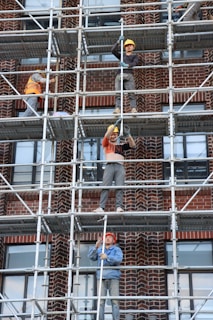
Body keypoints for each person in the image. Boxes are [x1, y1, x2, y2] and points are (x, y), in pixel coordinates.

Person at [93, 119, 136, 213]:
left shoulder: (121, 146)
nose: (112, 136)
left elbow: (132, 145)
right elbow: (106, 136)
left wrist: (128, 135)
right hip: (109, 166)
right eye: (112, 134)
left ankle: (119, 207)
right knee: (105, 186)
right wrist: (114, 126)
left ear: (117, 135)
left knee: (120, 187)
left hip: (120, 166)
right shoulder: (106, 144)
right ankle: (101, 207)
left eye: (115, 134)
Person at [88, 232, 123, 320]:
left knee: (115, 301)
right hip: (101, 277)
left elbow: (118, 259)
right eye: (106, 237)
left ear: (113, 240)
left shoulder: (116, 249)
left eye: (110, 237)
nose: (107, 238)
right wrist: (96, 247)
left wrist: (107, 257)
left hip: (113, 277)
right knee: (100, 302)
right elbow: (91, 257)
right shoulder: (100, 250)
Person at [111, 38, 139, 114]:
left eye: (130, 45)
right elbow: (113, 51)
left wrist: (127, 65)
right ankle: (117, 109)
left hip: (128, 75)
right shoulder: (122, 56)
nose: (128, 47)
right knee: (118, 94)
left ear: (133, 47)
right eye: (126, 45)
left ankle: (133, 109)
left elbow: (135, 63)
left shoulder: (134, 56)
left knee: (131, 93)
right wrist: (118, 42)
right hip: (120, 75)